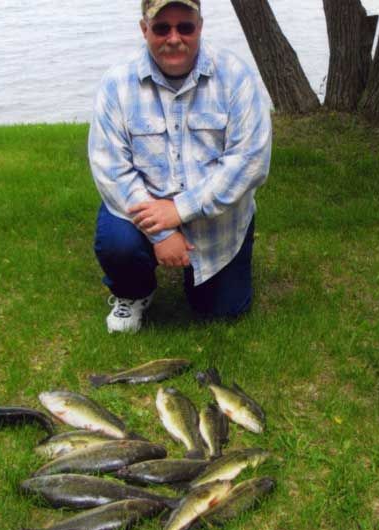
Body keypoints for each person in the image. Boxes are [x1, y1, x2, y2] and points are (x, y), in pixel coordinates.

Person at [88, 0, 272, 333]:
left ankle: (209, 277)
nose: (174, 38)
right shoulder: (116, 84)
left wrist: (180, 210)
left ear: (200, 26)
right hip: (145, 210)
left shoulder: (236, 77)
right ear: (144, 29)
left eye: (185, 27)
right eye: (161, 28)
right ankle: (134, 291)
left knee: (222, 312)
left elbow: (250, 161)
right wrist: (161, 232)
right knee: (118, 244)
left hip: (217, 221)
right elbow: (110, 168)